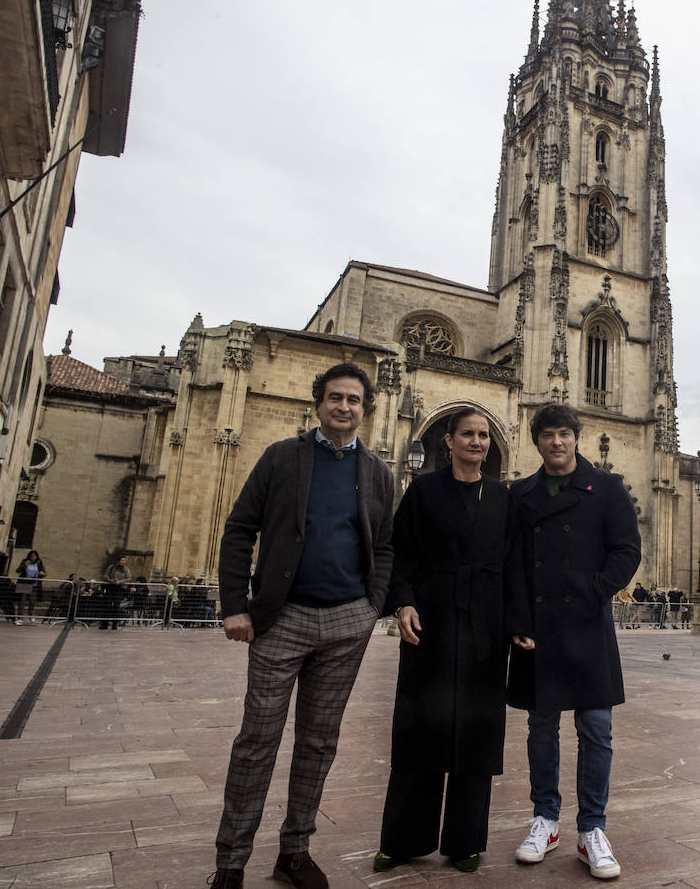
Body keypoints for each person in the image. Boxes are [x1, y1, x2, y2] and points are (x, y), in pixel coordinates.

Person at [209, 363, 394, 889]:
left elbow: (384, 545)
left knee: (318, 743)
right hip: (281, 619)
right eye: (334, 397)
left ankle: (295, 851)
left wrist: (370, 607)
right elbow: (241, 527)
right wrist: (234, 605)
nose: (343, 407)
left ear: (366, 408)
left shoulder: (379, 472)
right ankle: (231, 861)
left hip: (346, 624)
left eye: (354, 400)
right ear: (318, 404)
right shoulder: (283, 458)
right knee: (256, 740)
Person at [374, 408, 525, 874]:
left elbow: (515, 564)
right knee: (419, 728)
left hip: (485, 626)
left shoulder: (504, 498)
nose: (477, 442)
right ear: (449, 440)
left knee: (476, 733)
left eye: (483, 435)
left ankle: (465, 842)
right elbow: (399, 553)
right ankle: (403, 840)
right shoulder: (423, 492)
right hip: (430, 622)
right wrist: (402, 602)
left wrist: (519, 621)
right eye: (468, 434)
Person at [508, 403, 640, 881]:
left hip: (587, 623)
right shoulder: (520, 494)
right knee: (541, 728)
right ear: (536, 440)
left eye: (564, 434)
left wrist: (594, 590)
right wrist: (518, 619)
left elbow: (627, 550)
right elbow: (513, 563)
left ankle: (592, 829)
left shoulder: (607, 488)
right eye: (547, 435)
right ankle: (545, 819)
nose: (557, 443)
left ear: (576, 438)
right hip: (537, 629)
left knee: (596, 729)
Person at [14, 550, 46, 624]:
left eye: (34, 556)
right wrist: (24, 565)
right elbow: (18, 570)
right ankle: (20, 618)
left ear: (37, 556)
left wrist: (42, 573)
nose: (33, 557)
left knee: (32, 601)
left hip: (34, 584)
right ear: (29, 556)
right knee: (22, 601)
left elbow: (44, 572)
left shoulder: (39, 562)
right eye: (31, 556)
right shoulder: (25, 561)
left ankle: (30, 614)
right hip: (24, 583)